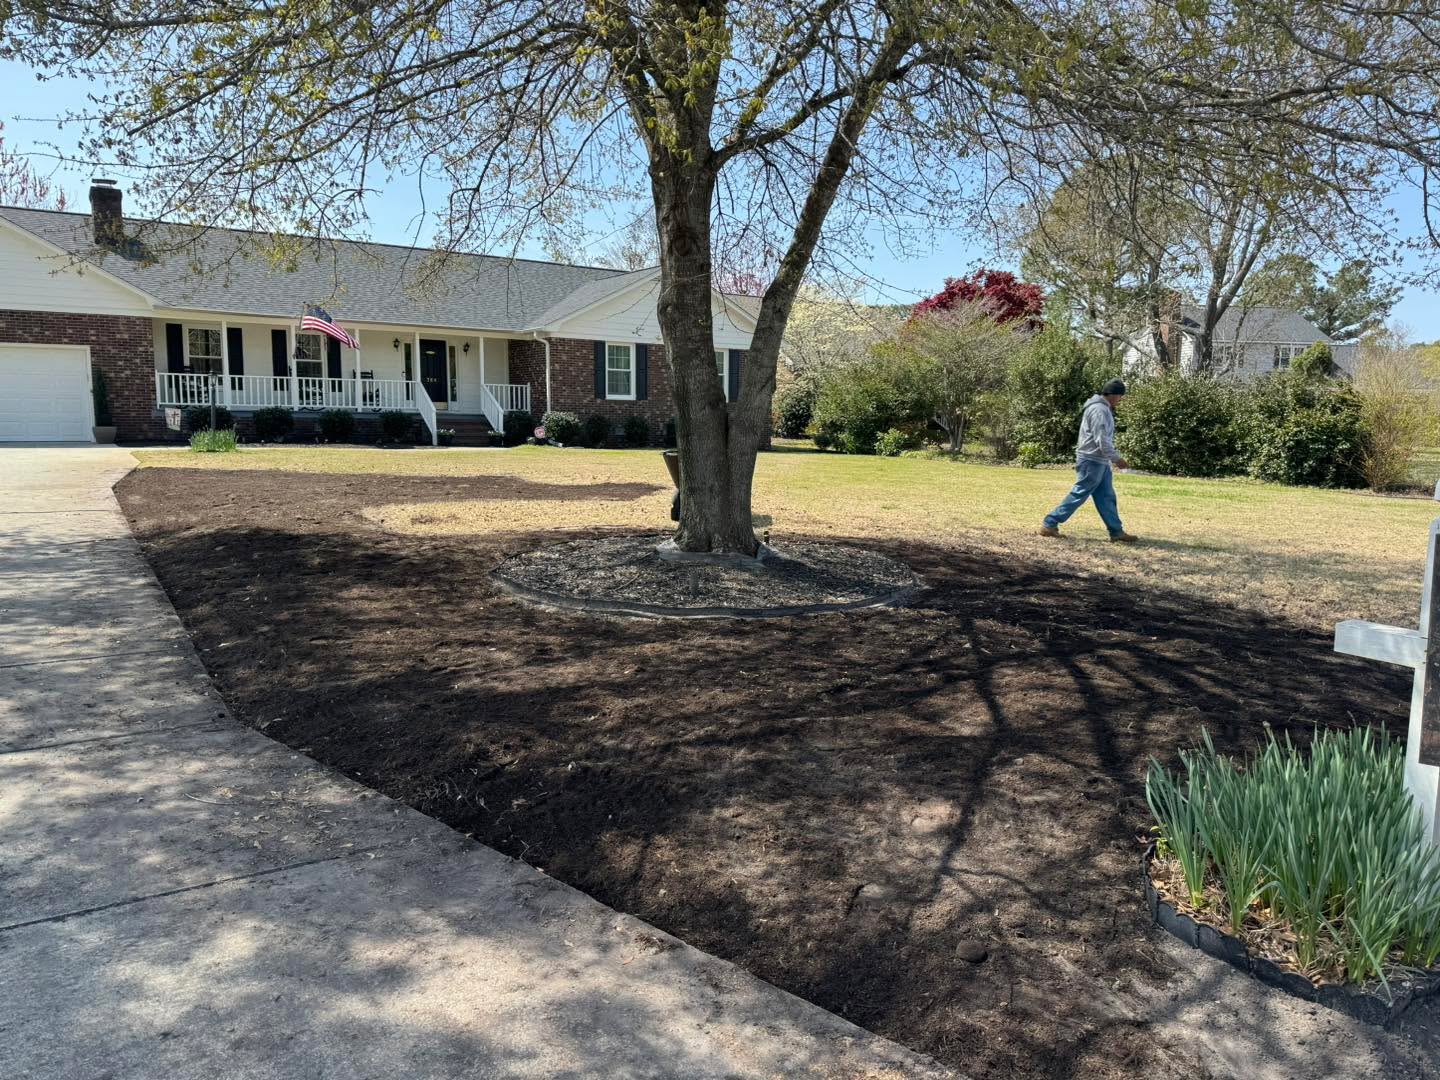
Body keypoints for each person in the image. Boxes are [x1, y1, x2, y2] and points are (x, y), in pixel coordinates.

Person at [1040, 378, 1138, 542]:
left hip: (1099, 461)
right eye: (1121, 396)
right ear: (1114, 395)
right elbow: (1102, 440)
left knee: (1106, 496)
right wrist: (1117, 459)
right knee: (1079, 494)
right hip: (1092, 461)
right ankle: (1050, 523)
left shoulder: (1102, 408)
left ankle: (1116, 532)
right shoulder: (1099, 410)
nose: (1121, 400)